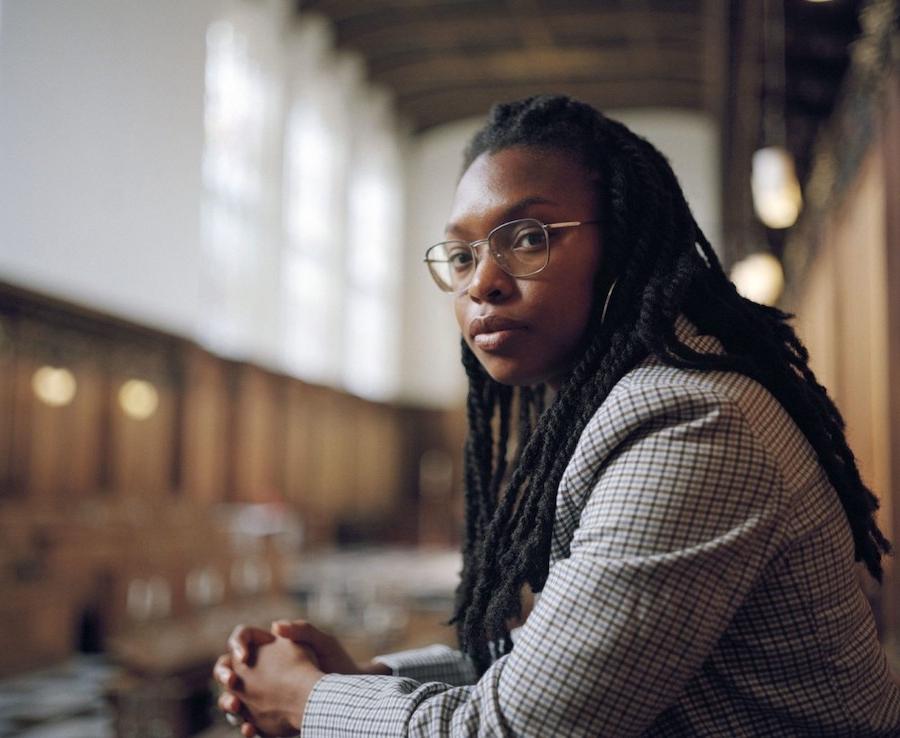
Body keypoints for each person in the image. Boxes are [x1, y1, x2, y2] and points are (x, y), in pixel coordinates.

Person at [212, 94, 900, 736]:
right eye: (461, 255)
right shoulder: (620, 405)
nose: (482, 281)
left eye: (529, 237)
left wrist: (306, 700)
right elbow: (557, 659)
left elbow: (518, 730)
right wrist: (364, 679)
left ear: (624, 245)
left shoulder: (690, 422)